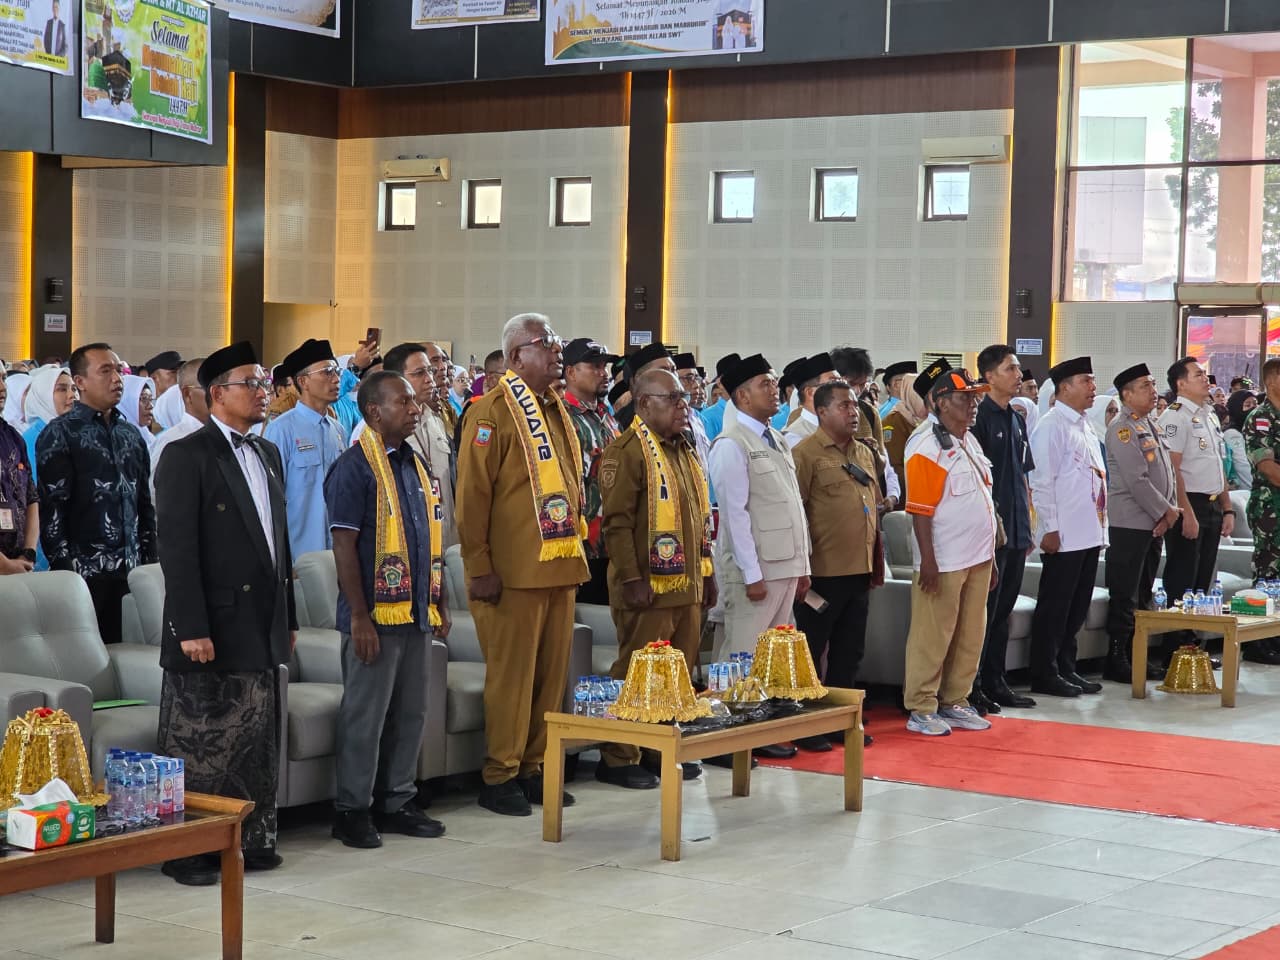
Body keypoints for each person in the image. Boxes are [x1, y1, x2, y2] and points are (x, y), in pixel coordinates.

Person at [154, 342, 295, 885]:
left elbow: (278, 544)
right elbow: (177, 550)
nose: (262, 392)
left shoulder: (267, 452)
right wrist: (190, 626)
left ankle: (249, 840)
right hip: (211, 623)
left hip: (261, 617)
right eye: (250, 384)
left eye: (264, 383)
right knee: (201, 742)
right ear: (217, 394)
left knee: (254, 738)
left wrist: (289, 617)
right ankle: (187, 851)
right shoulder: (186, 454)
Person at [456, 314, 588, 817]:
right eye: (545, 343)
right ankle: (501, 773)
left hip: (559, 565)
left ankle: (533, 767)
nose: (557, 351)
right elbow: (472, 498)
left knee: (551, 677)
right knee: (512, 678)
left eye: (557, 342)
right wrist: (479, 565)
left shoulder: (556, 410)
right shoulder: (490, 412)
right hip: (511, 573)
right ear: (516, 356)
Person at [326, 371, 451, 848]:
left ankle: (397, 800)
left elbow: (428, 540)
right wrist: (359, 617)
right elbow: (344, 546)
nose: (415, 409)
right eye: (405, 402)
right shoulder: (354, 467)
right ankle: (352, 809)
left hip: (416, 611)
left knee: (411, 712)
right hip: (374, 617)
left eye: (415, 402)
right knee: (366, 716)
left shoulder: (414, 463)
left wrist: (438, 599)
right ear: (375, 412)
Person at [597, 368, 714, 787]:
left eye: (684, 398)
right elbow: (616, 524)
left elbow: (697, 518)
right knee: (637, 669)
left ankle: (658, 747)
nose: (684, 406)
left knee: (675, 671)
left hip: (686, 583)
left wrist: (706, 573)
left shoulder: (683, 448)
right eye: (673, 398)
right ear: (645, 404)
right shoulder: (626, 451)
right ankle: (618, 755)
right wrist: (631, 579)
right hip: (646, 585)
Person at [707, 354, 809, 761]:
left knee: (770, 656)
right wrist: (751, 574)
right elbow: (735, 516)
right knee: (740, 653)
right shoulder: (731, 444)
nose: (774, 389)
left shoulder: (775, 438)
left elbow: (791, 506)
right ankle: (722, 736)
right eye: (765, 383)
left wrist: (803, 566)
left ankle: (757, 727)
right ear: (742, 395)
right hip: (757, 570)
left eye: (774, 382)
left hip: (784, 565)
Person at [37, 343, 155, 645]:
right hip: (85, 575)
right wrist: (66, 575)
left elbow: (144, 506)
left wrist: (150, 564)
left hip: (132, 573)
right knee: (89, 656)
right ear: (80, 382)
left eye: (118, 370)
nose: (117, 379)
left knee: (132, 654)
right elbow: (52, 511)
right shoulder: (60, 433)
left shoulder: (131, 435)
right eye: (105, 371)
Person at [902, 366, 998, 736]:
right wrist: (928, 560)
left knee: (970, 634)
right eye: (964, 398)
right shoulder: (926, 445)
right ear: (941, 402)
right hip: (943, 559)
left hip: (977, 556)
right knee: (932, 636)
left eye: (975, 398)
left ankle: (956, 699)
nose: (973, 405)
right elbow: (920, 511)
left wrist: (991, 556)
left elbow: (983, 500)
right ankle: (922, 706)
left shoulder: (968, 440)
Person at [791, 381, 880, 750]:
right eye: (844, 406)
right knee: (812, 650)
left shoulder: (864, 452)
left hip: (859, 568)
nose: (853, 412)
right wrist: (801, 568)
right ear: (822, 411)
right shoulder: (805, 454)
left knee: (849, 652)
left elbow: (872, 505)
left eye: (855, 405)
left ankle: (842, 722)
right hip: (822, 573)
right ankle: (807, 725)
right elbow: (797, 515)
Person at [1028, 356, 1107, 697]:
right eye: (1086, 381)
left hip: (1088, 529)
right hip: (1064, 532)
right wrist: (1048, 527)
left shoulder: (1084, 424)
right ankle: (1044, 672)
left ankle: (1066, 667)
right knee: (1056, 606)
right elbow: (1041, 480)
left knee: (1076, 606)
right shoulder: (1051, 425)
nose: (1093, 387)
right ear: (1064, 387)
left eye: (1093, 380)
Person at [1103, 364, 1180, 682]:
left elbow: (1167, 472)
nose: (1153, 391)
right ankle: (1117, 658)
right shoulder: (1122, 428)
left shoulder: (1150, 423)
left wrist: (1167, 511)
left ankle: (1137, 655)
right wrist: (1166, 512)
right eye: (1145, 386)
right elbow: (1137, 480)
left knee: (1144, 592)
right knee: (1125, 593)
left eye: (1153, 384)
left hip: (1153, 523)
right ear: (1127, 394)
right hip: (1130, 524)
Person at [970, 345, 1036, 711]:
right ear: (989, 375)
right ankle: (973, 684)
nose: (1018, 375)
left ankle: (997, 681)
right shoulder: (979, 418)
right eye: (1010, 368)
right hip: (991, 532)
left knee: (1004, 611)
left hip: (1016, 528)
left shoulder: (1016, 418)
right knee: (985, 612)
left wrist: (1027, 527)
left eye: (1018, 368)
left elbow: (1023, 478)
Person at [1157, 357, 1234, 662]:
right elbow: (1173, 470)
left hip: (1212, 504)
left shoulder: (1209, 414)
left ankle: (1193, 648)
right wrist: (1185, 512)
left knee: (1203, 580)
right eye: (1198, 374)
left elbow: (1217, 465)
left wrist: (1227, 508)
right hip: (1189, 503)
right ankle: (1174, 649)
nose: (1205, 378)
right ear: (1181, 384)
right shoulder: (1175, 417)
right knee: (1182, 577)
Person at [265, 339, 348, 558]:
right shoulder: (281, 429)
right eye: (327, 372)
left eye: (337, 371)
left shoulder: (338, 430)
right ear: (303, 381)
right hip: (299, 553)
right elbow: (270, 498)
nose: (336, 379)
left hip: (335, 552)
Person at [379, 343, 459, 551]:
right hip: (410, 547)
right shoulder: (382, 430)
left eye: (430, 371)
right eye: (419, 373)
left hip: (447, 540)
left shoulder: (436, 421)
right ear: (396, 380)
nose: (430, 378)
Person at [562, 338, 621, 605]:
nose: (603, 373)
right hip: (582, 546)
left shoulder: (607, 416)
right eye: (595, 366)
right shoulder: (562, 416)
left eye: (604, 366)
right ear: (571, 372)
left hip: (613, 542)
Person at [830, 346, 900, 507]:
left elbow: (885, 462)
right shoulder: (821, 413)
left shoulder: (869, 412)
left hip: (870, 500)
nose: (856, 390)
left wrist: (892, 495)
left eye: (862, 384)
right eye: (851, 383)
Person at [1243, 359, 1280, 664]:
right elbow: (1268, 468)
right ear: (1273, 380)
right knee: (1267, 574)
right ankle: (1257, 641)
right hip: (1270, 507)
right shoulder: (1260, 417)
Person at [150, 359, 209, 501]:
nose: (220, 395)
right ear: (188, 394)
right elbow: (155, 497)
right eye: (210, 388)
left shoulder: (229, 437)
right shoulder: (172, 441)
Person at [0, 369, 38, 576]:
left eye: (3, 378)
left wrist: (28, 553)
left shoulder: (13, 437)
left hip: (18, 566)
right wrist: (3, 564)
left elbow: (31, 497)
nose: (2, 387)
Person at [882, 372, 928, 506]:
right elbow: (895, 466)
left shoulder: (924, 420)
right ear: (910, 395)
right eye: (919, 396)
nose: (925, 401)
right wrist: (919, 490)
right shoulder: (893, 421)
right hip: (907, 498)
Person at [780, 353, 841, 449]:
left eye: (841, 382)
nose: (842, 389)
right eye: (833, 382)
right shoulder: (795, 437)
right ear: (810, 392)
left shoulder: (843, 426)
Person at [1224, 389, 1258, 491]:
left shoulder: (1255, 430)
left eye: (1255, 404)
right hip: (1248, 491)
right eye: (1247, 405)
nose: (1253, 408)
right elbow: (1243, 466)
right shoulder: (1232, 434)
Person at [119, 374, 156, 453]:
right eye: (144, 399)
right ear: (127, 401)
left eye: (150, 399)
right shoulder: (121, 439)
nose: (151, 406)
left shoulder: (147, 436)